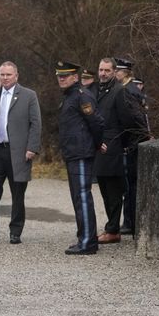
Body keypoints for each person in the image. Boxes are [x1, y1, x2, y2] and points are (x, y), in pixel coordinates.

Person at [0, 61, 42, 245]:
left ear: (16, 75)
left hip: (18, 153)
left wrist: (32, 147)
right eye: (2, 74)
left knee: (18, 193)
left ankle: (15, 231)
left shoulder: (29, 96)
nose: (5, 78)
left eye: (8, 75)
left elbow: (36, 124)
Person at [55, 61, 106, 255]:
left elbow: (97, 123)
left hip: (81, 153)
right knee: (78, 197)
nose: (61, 79)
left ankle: (88, 242)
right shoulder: (70, 96)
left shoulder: (81, 96)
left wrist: (95, 144)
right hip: (73, 153)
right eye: (59, 76)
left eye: (65, 76)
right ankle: (84, 236)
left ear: (75, 77)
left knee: (83, 197)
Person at [92, 58, 144, 244]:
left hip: (113, 147)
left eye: (107, 70)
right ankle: (112, 226)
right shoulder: (98, 90)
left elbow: (128, 121)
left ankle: (113, 230)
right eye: (100, 69)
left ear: (114, 72)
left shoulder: (119, 92)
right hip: (100, 146)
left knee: (113, 190)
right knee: (105, 188)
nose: (103, 73)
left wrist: (122, 145)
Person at [114, 58, 151, 235]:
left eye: (117, 71)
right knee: (131, 185)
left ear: (124, 73)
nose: (114, 74)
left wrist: (145, 135)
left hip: (133, 142)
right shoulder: (131, 89)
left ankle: (130, 223)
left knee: (130, 186)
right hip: (136, 140)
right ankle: (130, 222)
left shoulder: (127, 91)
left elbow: (136, 117)